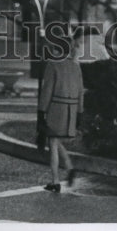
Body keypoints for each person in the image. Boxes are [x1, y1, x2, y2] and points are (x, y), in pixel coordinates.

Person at [38, 34, 84, 192]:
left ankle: (55, 180)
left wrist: (41, 110)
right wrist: (80, 112)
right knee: (55, 140)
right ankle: (70, 168)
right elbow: (80, 91)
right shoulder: (75, 66)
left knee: (52, 142)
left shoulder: (53, 64)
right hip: (71, 108)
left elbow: (47, 90)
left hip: (56, 108)